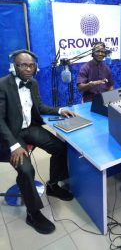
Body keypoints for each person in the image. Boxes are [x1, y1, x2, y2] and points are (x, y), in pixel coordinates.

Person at [0, 50, 75, 234]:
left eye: (31, 65)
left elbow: (39, 106)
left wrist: (59, 110)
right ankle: (33, 214)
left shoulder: (33, 83)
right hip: (11, 134)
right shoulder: (2, 85)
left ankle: (52, 185)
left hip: (30, 128)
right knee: (26, 169)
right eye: (23, 65)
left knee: (60, 147)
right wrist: (14, 145)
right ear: (14, 66)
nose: (28, 68)